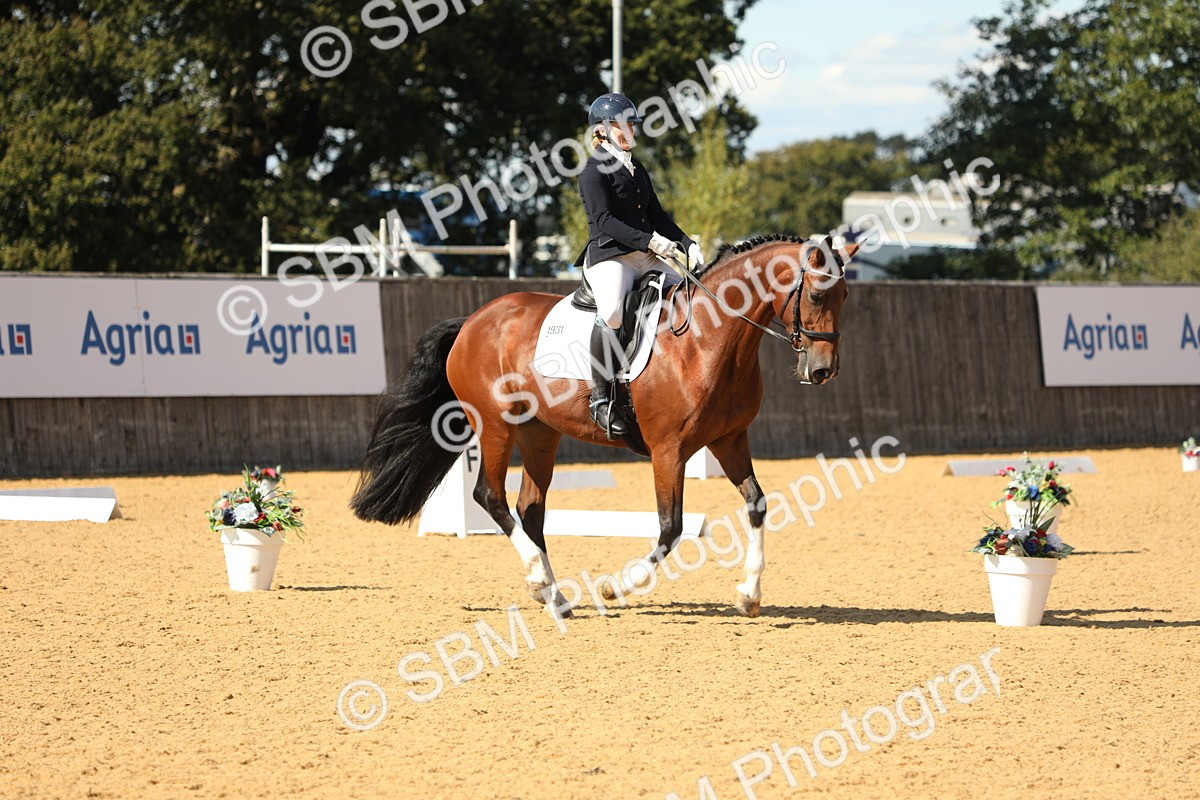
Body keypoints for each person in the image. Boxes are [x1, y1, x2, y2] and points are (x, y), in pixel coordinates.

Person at [575, 92, 704, 437]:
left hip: (647, 254)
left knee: (689, 294)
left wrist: (687, 243)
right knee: (614, 311)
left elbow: (656, 215)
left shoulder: (636, 167)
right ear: (603, 129)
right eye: (627, 123)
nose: (633, 129)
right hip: (610, 255)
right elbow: (602, 220)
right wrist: (649, 241)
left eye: (633, 123)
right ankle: (601, 400)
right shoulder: (592, 171)